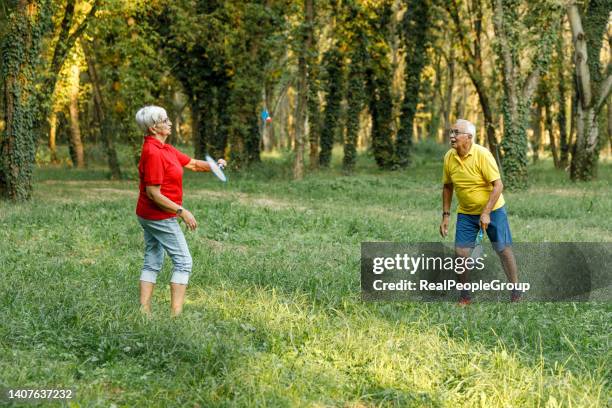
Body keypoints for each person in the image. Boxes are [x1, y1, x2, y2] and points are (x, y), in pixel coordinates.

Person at [134, 105, 226, 316]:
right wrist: (181, 212)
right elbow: (153, 193)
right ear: (153, 127)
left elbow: (192, 164)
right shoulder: (153, 153)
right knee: (184, 262)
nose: (170, 123)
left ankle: (144, 311)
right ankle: (176, 316)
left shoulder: (165, 148)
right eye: (165, 120)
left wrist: (214, 166)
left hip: (149, 214)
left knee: (153, 258)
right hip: (158, 215)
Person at [439, 119, 520, 304]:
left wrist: (486, 212)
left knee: (503, 250)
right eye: (451, 132)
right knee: (460, 253)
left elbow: (498, 185)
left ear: (468, 137)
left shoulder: (483, 155)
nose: (452, 136)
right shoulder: (449, 157)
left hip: (494, 210)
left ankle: (515, 290)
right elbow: (447, 187)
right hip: (466, 213)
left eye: (456, 133)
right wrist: (445, 215)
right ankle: (465, 295)